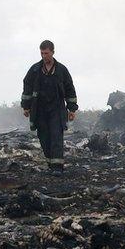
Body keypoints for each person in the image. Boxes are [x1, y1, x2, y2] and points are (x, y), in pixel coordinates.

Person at [21, 40, 78, 171]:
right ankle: (50, 163)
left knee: (56, 136)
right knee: (44, 137)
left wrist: (72, 109)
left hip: (56, 109)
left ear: (52, 52)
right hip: (40, 109)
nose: (43, 56)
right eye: (41, 53)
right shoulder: (35, 70)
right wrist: (26, 106)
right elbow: (27, 88)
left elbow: (70, 89)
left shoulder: (61, 70)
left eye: (46, 53)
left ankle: (57, 167)